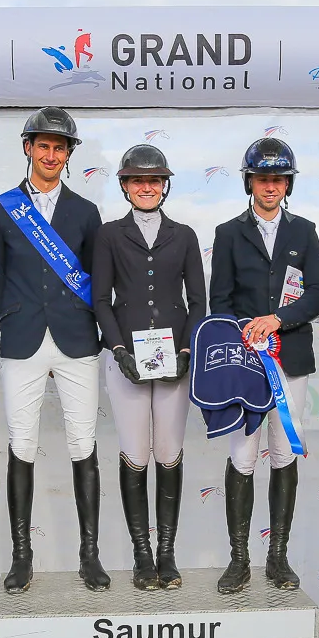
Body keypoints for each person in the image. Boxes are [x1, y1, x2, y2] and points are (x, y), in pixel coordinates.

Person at [0, 106, 106, 593]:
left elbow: (97, 280)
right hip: (24, 339)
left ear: (69, 154)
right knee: (22, 444)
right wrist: (11, 317)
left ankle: (89, 555)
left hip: (76, 339)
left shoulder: (86, 212)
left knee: (83, 443)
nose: (51, 154)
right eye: (43, 145)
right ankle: (21, 557)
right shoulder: (1, 208)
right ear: (28, 147)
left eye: (60, 147)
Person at [208, 137, 319, 592]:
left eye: (278, 179)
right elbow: (219, 301)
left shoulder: (305, 231)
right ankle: (239, 558)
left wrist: (278, 319)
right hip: (244, 362)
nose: (270, 186)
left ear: (288, 184)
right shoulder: (226, 233)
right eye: (263, 179)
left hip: (289, 360)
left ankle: (277, 557)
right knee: (242, 457)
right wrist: (246, 332)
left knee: (283, 452)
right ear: (249, 182)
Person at [92, 144, 205, 590]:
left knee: (169, 453)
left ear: (164, 185)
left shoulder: (185, 234)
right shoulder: (109, 235)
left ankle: (167, 554)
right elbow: (101, 299)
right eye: (137, 180)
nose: (146, 187)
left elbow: (198, 301)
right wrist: (118, 350)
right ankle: (142, 553)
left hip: (174, 355)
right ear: (124, 186)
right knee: (136, 454)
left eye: (153, 180)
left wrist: (186, 352)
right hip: (128, 357)